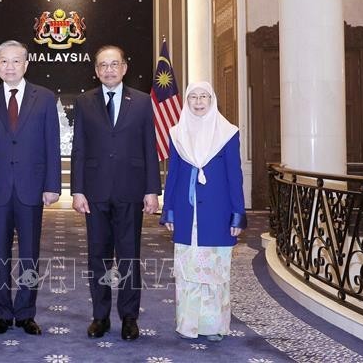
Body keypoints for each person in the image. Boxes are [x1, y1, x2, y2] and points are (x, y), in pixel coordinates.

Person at [71, 45, 161, 341]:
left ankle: (129, 317)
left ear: (124, 67)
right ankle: (100, 316)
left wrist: (152, 189)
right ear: (96, 70)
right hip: (95, 193)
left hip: (131, 190)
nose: (108, 70)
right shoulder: (84, 102)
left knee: (128, 257)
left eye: (114, 64)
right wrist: (77, 190)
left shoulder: (144, 101)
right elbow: (79, 149)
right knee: (98, 256)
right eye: (102, 65)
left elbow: (150, 147)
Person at [0, 40, 61, 336]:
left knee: (29, 253)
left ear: (26, 64)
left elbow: (51, 144)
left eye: (15, 61)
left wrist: (52, 186)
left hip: (31, 188)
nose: (10, 66)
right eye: (4, 61)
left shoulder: (45, 97)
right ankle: (0, 313)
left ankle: (25, 312)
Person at [160, 81, 246, 342]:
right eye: (193, 97)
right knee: (188, 270)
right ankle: (188, 324)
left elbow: (235, 176)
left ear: (212, 100)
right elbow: (173, 175)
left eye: (204, 96)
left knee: (215, 272)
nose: (198, 101)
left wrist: (237, 214)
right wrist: (169, 211)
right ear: (186, 102)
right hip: (187, 213)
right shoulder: (177, 134)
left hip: (218, 214)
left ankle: (213, 326)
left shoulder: (228, 133)